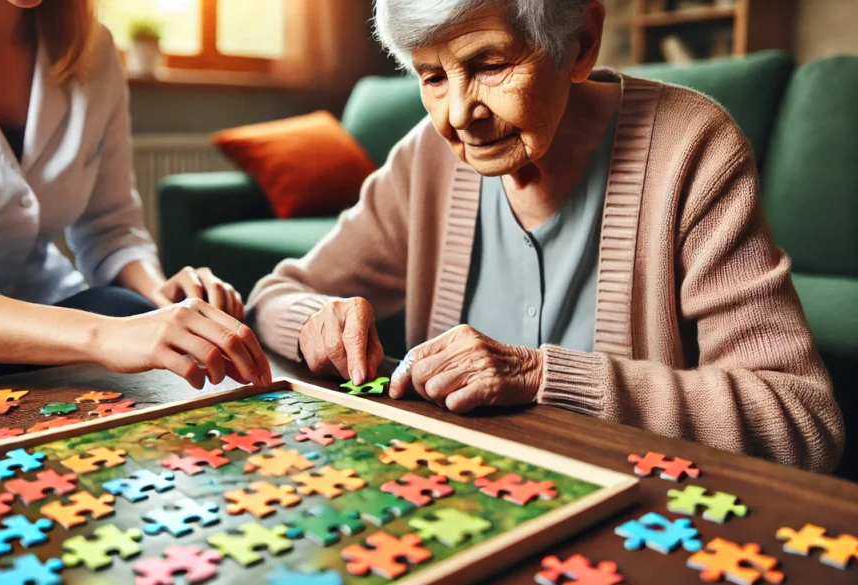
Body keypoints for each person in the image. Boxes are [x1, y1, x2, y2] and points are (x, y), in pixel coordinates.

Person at [247, 0, 845, 472]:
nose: (459, 114)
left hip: (636, 513)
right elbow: (273, 296)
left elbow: (801, 421)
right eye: (432, 76)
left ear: (579, 45)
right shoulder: (425, 159)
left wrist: (543, 376)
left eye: (488, 65)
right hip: (449, 494)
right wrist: (314, 320)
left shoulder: (693, 147)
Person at [0, 0, 272, 404]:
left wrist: (163, 298)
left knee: (135, 314)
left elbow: (109, 227)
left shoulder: (93, 50)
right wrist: (104, 337)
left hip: (46, 305)